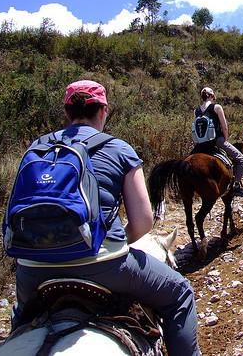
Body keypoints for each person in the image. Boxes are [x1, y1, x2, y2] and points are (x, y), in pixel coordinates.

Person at [12, 80, 200, 356]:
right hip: (103, 263)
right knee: (180, 293)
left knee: (21, 318)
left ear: (66, 112)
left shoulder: (37, 147)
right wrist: (115, 240)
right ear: (103, 111)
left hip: (31, 270)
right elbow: (144, 222)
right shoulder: (118, 148)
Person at [195, 87, 243, 197]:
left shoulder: (196, 110)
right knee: (241, 159)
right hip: (217, 141)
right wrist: (225, 139)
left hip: (200, 144)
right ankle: (237, 186)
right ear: (212, 96)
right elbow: (224, 127)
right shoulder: (217, 107)